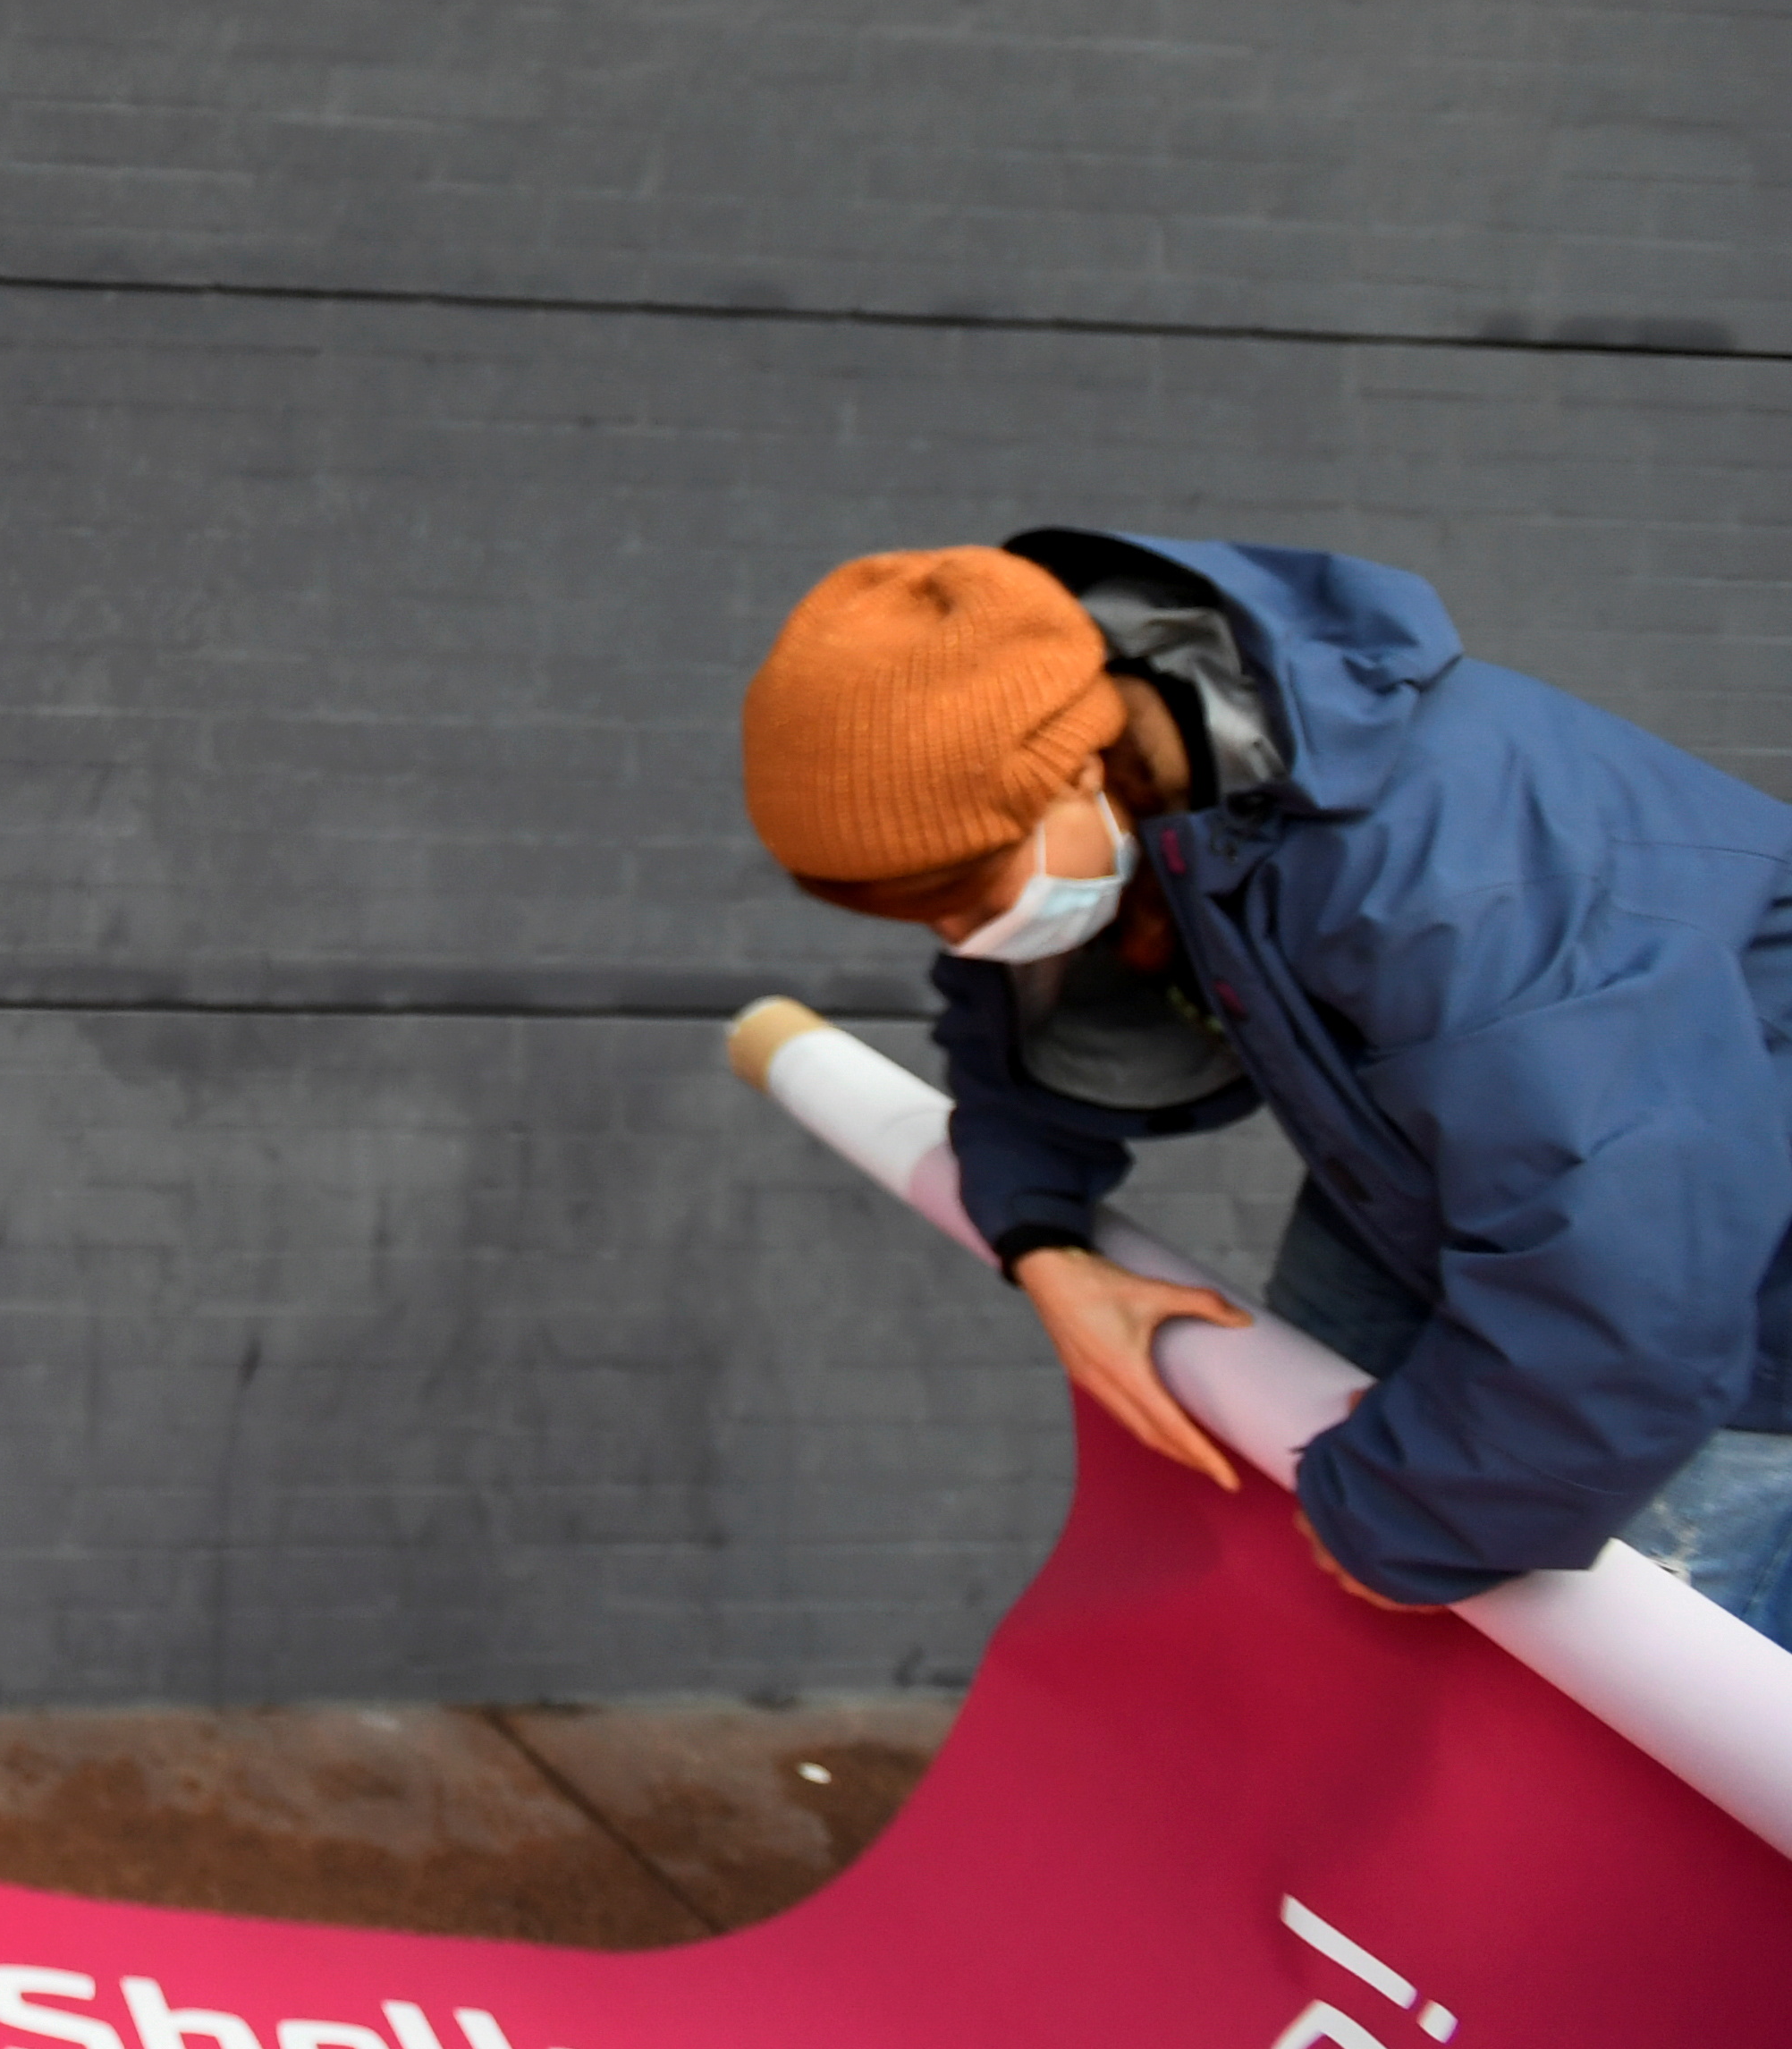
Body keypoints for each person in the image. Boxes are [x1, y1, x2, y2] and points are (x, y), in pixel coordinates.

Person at [740, 531, 1792, 1637]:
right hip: (1454, 1189)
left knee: (1614, 1690)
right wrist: (1043, 1241)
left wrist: (1404, 1514)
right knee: (1323, 1579)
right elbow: (1017, 1033)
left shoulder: (1454, 876)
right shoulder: (1136, 774)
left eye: (966, 894)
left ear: (1079, 767)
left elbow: (1634, 1285)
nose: (962, 938)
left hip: (1743, 1297)